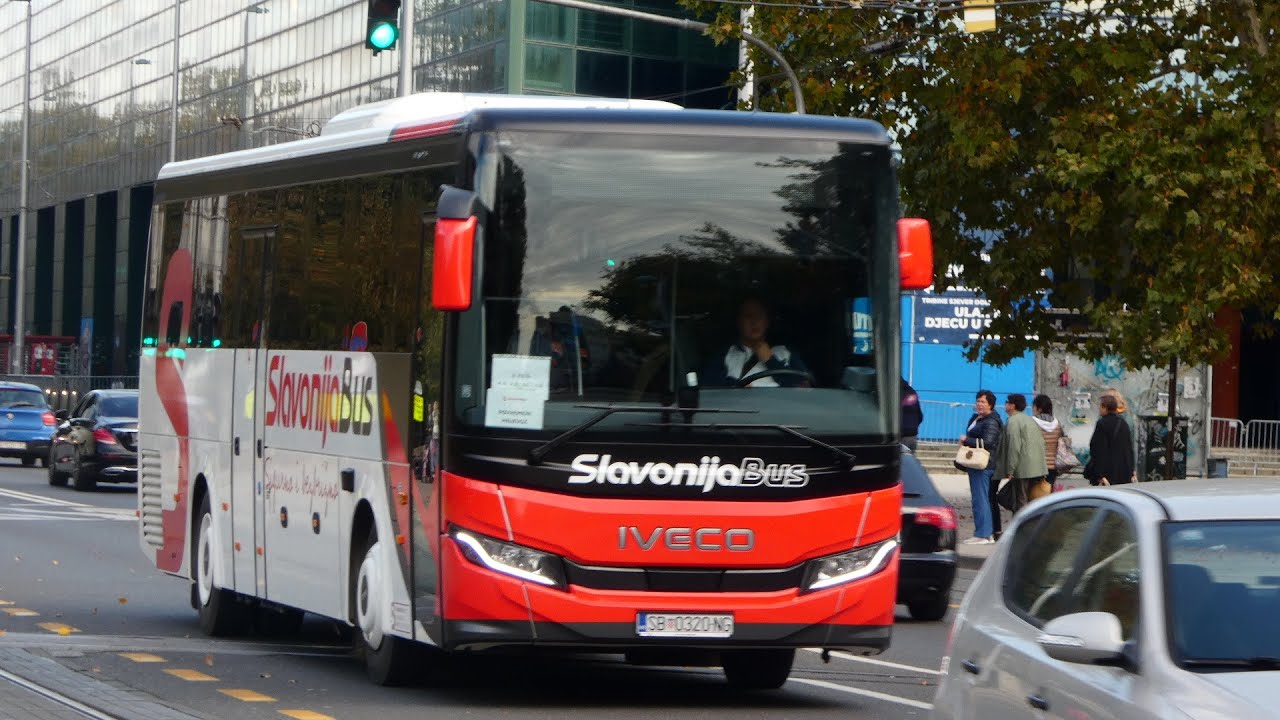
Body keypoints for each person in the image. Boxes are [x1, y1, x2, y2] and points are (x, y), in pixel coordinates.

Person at [702, 297, 810, 387]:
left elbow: (805, 388)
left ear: (767, 322)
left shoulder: (785, 352)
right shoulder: (725, 355)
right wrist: (736, 389)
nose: (754, 321)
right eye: (748, 316)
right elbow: (709, 391)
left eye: (759, 316)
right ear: (738, 322)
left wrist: (771, 360)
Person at [995, 393, 1048, 518]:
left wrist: (1011, 469)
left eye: (1007, 402)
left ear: (1012, 405)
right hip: (1036, 467)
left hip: (1022, 467)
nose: (1005, 405)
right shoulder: (1029, 419)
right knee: (1026, 499)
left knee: (1020, 500)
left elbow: (1014, 446)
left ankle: (1021, 525)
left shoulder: (1013, 421)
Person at [959, 389, 1002, 545]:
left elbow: (988, 442)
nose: (979, 404)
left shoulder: (991, 421)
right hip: (975, 463)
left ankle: (983, 534)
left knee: (981, 498)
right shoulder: (977, 418)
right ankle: (986, 533)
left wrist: (967, 440)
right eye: (978, 401)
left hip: (984, 464)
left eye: (983, 402)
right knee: (980, 498)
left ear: (990, 404)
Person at [1088, 394, 1135, 486]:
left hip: (1107, 473)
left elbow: (1097, 449)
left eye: (1100, 406)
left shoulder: (1102, 423)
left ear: (1105, 408)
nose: (1099, 409)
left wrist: (1099, 474)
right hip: (1123, 471)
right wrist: (1131, 470)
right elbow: (1129, 448)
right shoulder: (1123, 423)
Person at [1032, 394, 1064, 486]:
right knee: (1047, 491)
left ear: (1039, 409)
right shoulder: (1057, 424)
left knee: (1033, 492)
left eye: (1034, 406)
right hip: (1052, 466)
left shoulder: (1031, 422)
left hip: (1035, 465)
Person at [901, 379, 923, 453]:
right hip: (912, 433)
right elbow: (919, 414)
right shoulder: (912, 392)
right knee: (910, 456)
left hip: (901, 434)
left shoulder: (894, 392)